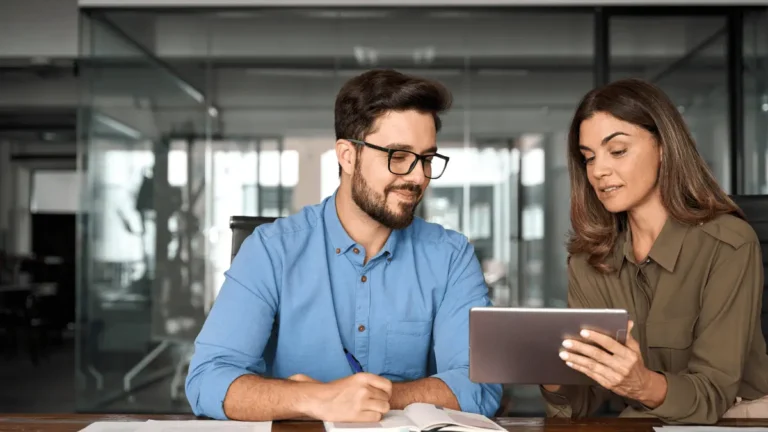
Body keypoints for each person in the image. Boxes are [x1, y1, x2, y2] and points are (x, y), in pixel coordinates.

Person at [185, 69, 503, 422]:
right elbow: (207, 381)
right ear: (347, 156)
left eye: (426, 158)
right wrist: (317, 399)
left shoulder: (450, 256)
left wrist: (371, 397)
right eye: (398, 156)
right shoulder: (270, 250)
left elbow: (480, 387)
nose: (418, 177)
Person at [540, 78, 768, 424]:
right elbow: (581, 403)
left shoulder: (729, 244)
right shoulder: (589, 260)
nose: (599, 171)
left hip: (737, 418)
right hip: (644, 420)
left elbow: (713, 394)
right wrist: (553, 375)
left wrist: (640, 384)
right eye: (588, 158)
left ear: (663, 148)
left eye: (617, 151)